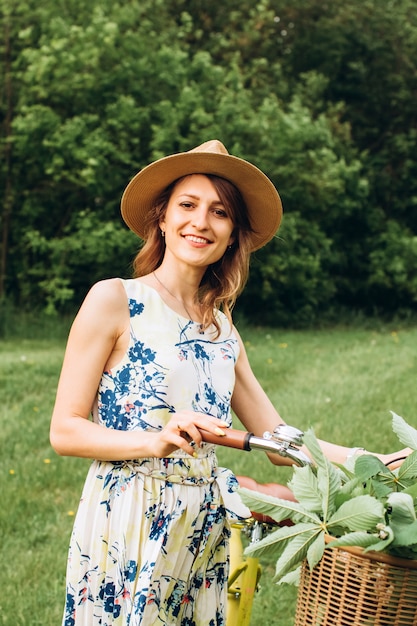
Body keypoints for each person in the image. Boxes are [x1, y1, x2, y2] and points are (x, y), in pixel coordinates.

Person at [50, 140, 409, 626]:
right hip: (129, 516)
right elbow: (66, 430)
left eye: (219, 212)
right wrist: (154, 440)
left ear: (232, 232)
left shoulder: (221, 329)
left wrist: (372, 462)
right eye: (188, 205)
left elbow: (277, 438)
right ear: (161, 217)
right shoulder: (115, 300)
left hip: (203, 523)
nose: (201, 222)